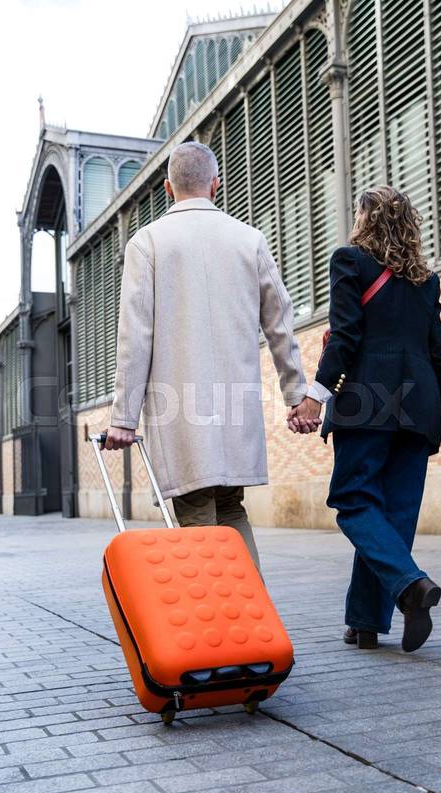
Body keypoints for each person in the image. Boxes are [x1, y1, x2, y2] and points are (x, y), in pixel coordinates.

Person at [104, 141, 317, 568]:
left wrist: (123, 417)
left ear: (167, 187)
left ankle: (226, 626)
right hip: (237, 410)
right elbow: (280, 321)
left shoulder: (147, 244)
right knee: (231, 509)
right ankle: (251, 620)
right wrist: (296, 393)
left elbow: (135, 336)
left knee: (196, 516)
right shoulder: (249, 240)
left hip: (179, 413)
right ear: (215, 185)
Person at [289, 186, 441, 652]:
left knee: (353, 501)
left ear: (365, 219)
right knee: (394, 514)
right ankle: (366, 622)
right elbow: (439, 351)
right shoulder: (426, 280)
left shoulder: (350, 261)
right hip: (420, 406)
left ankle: (410, 585)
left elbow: (345, 337)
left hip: (369, 399)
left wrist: (315, 397)